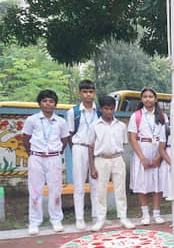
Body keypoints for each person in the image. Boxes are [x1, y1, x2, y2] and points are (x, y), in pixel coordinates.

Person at [22, 89, 70, 235]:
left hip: (54, 158)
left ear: (55, 104)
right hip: (36, 157)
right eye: (44, 101)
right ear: (39, 103)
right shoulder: (32, 120)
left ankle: (56, 220)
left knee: (55, 190)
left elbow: (64, 139)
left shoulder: (61, 121)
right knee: (35, 191)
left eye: (51, 101)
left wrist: (56, 152)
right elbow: (26, 139)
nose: (48, 104)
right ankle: (34, 222)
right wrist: (32, 153)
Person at [87, 95, 135, 231]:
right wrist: (92, 167)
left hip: (117, 158)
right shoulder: (94, 126)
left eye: (111, 109)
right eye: (106, 109)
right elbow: (90, 147)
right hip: (101, 159)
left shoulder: (121, 126)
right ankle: (100, 219)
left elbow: (124, 143)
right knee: (100, 190)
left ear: (114, 109)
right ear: (101, 109)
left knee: (120, 189)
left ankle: (123, 217)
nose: (109, 111)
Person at [128, 87, 167, 225]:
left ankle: (157, 213)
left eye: (151, 96)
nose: (148, 99)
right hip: (142, 149)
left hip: (158, 150)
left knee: (158, 183)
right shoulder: (136, 116)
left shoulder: (162, 116)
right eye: (145, 96)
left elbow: (166, 136)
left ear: (155, 99)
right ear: (141, 99)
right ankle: (145, 214)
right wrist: (142, 157)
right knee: (142, 183)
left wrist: (160, 156)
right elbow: (132, 138)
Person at [66, 79, 99, 230]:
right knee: (79, 184)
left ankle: (96, 216)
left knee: (95, 184)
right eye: (85, 92)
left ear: (94, 93)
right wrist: (74, 148)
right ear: (80, 93)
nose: (88, 95)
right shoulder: (73, 112)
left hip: (96, 149)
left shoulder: (99, 111)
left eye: (91, 92)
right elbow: (69, 134)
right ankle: (79, 218)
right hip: (79, 147)